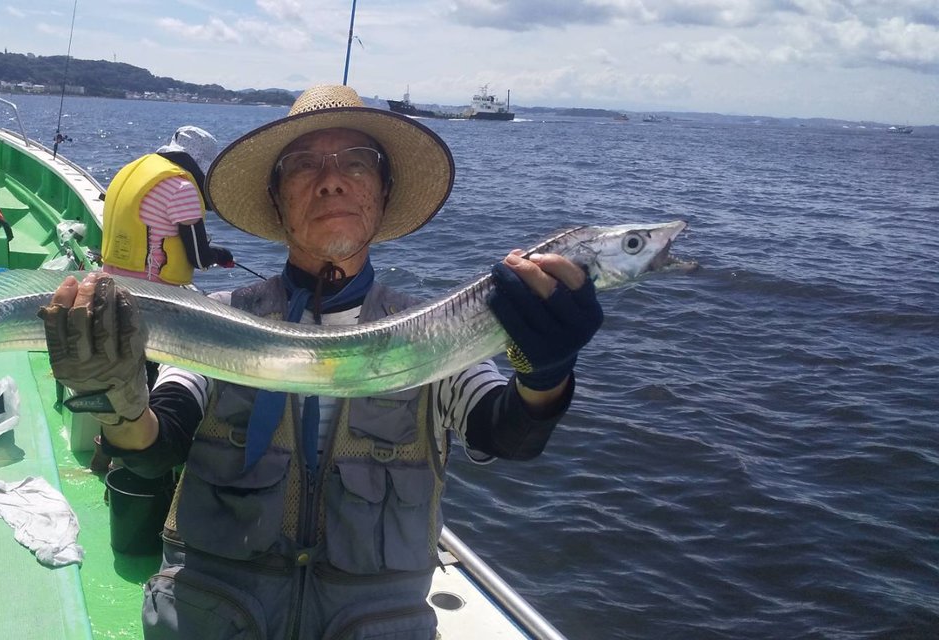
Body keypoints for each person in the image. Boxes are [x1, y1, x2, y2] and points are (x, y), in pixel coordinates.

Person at [38, 84, 603, 639]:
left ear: (381, 195)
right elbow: (157, 442)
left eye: (357, 163)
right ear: (278, 202)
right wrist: (116, 401)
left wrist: (545, 375)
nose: (331, 180)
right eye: (304, 166)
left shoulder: (432, 334)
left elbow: (505, 431)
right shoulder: (219, 319)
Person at [100, 125, 235, 285]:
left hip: (111, 277)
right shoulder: (182, 188)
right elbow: (199, 259)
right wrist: (219, 255)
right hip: (151, 285)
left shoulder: (134, 170)